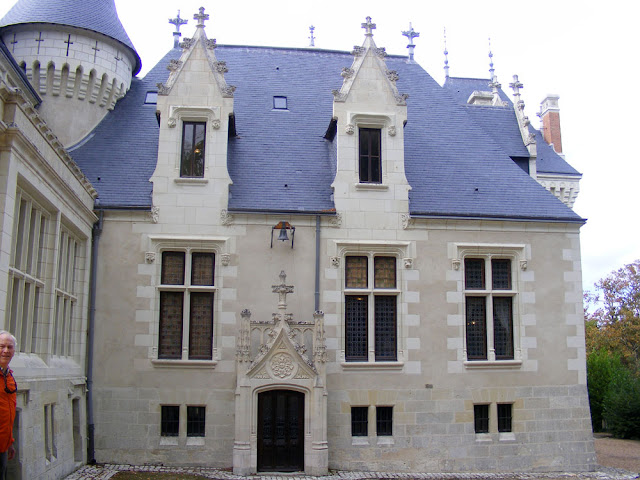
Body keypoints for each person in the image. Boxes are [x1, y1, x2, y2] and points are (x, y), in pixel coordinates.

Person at [0, 331, 16, 480]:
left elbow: (8, 413)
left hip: (3, 446)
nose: (6, 351)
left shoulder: (9, 376)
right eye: (2, 346)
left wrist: (10, 441)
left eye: (9, 347)